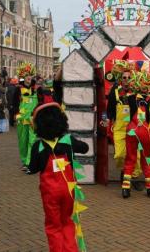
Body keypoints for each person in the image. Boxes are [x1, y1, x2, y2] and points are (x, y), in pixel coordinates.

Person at [28, 102, 89, 252]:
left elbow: (33, 168)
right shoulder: (68, 140)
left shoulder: (39, 146)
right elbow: (85, 148)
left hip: (50, 193)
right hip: (68, 190)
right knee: (67, 221)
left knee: (53, 225)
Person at [121, 69, 150, 198]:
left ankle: (126, 188)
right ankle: (149, 188)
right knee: (147, 158)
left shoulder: (130, 97)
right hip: (145, 132)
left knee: (130, 158)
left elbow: (126, 116)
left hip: (131, 131)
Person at [106, 61, 141, 183]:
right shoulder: (115, 91)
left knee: (135, 156)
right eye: (124, 77)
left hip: (133, 128)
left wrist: (131, 95)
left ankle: (134, 177)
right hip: (119, 129)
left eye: (129, 78)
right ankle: (124, 170)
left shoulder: (136, 92)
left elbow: (140, 108)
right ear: (121, 79)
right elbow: (109, 109)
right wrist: (106, 121)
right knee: (120, 154)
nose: (126, 80)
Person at [13, 63, 38, 172]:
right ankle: (24, 161)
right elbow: (14, 104)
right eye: (27, 76)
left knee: (32, 141)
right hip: (22, 120)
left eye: (30, 76)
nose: (29, 78)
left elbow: (40, 103)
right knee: (23, 142)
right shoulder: (18, 89)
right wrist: (16, 116)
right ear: (23, 77)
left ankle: (29, 162)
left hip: (33, 119)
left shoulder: (37, 89)